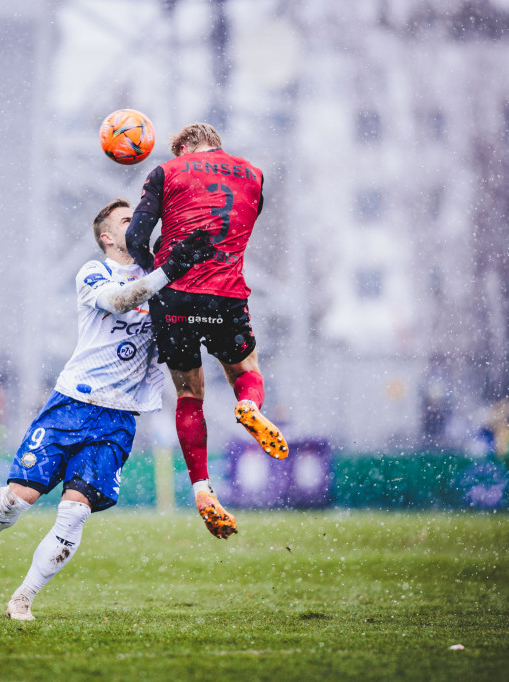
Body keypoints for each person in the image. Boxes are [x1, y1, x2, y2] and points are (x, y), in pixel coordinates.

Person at [0, 198, 215, 620]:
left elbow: (187, 326)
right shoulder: (95, 271)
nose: (139, 223)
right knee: (18, 500)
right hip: (71, 403)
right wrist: (172, 270)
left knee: (73, 514)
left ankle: (23, 597)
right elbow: (122, 301)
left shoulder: (162, 275)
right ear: (107, 236)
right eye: (128, 220)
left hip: (118, 417)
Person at [124, 122, 288, 540]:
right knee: (246, 368)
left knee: (189, 393)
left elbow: (135, 236)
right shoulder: (254, 174)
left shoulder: (167, 171)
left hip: (174, 298)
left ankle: (201, 487)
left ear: (184, 147)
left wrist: (153, 273)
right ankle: (249, 407)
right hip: (226, 295)